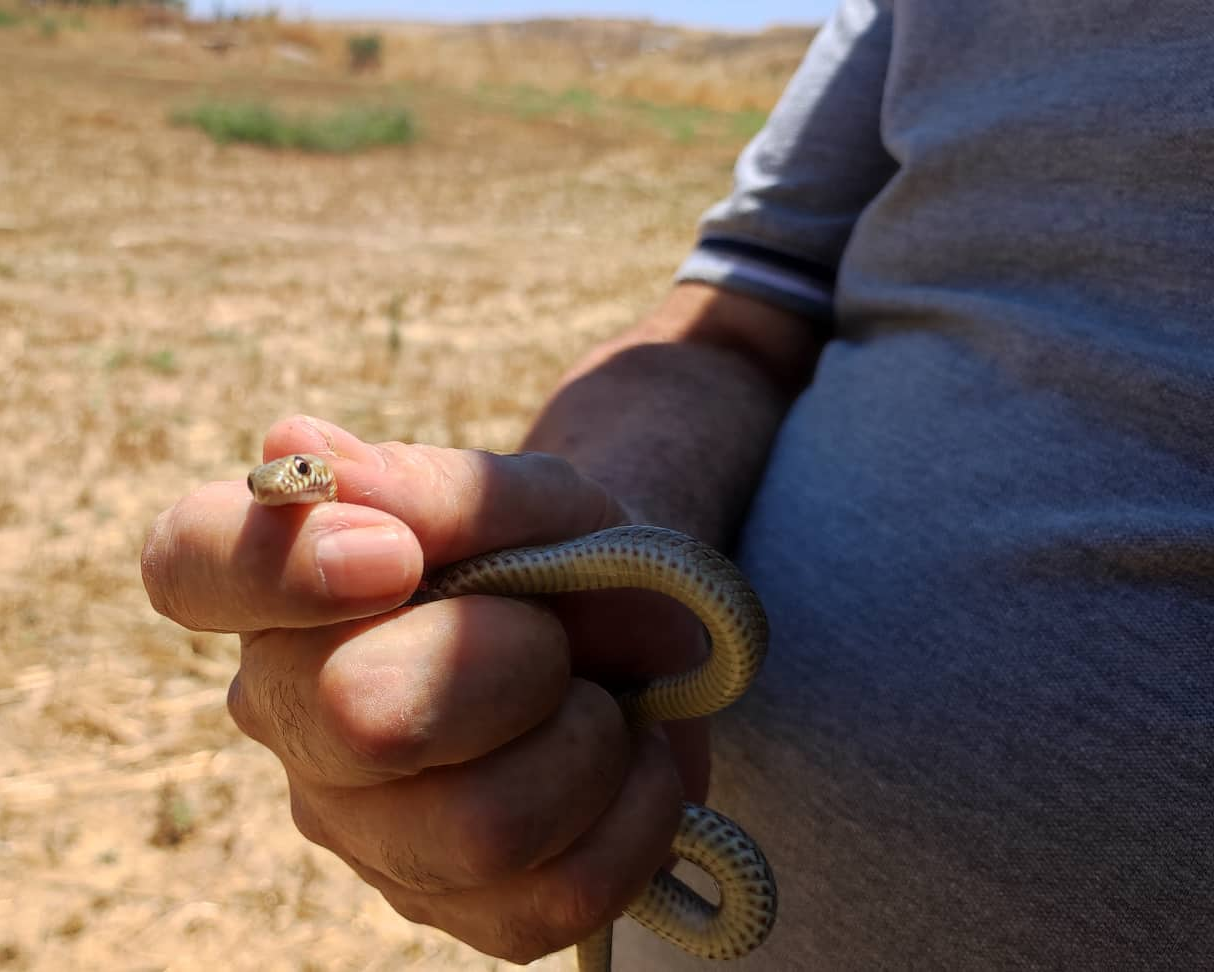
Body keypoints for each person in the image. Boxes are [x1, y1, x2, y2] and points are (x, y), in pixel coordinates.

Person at [141, 0, 1214, 967]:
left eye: (298, 474)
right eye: (284, 479)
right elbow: (741, 312)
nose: (293, 480)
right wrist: (592, 552)